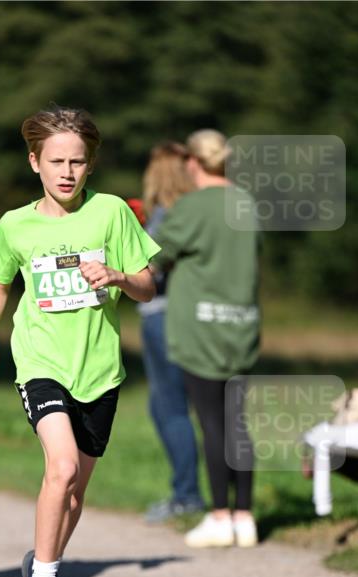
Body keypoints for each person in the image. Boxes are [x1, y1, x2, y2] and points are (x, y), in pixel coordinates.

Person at [0, 105, 159, 577]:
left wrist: (120, 275)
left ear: (91, 164)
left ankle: (41, 560)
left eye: (78, 161)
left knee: (74, 493)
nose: (67, 172)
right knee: (62, 466)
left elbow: (149, 285)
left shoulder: (112, 213)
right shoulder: (16, 224)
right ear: (35, 162)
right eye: (56, 161)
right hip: (41, 363)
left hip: (99, 370)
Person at [153, 129, 261, 548]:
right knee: (239, 423)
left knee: (212, 422)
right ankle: (245, 516)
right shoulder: (247, 203)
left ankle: (219, 516)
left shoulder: (191, 207)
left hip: (201, 329)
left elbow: (155, 254)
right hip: (243, 325)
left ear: (193, 163)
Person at [137, 142, 204, 523]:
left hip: (162, 316)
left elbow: (150, 268)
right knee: (181, 406)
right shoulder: (196, 213)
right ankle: (194, 492)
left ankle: (186, 494)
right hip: (191, 317)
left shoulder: (166, 216)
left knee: (170, 406)